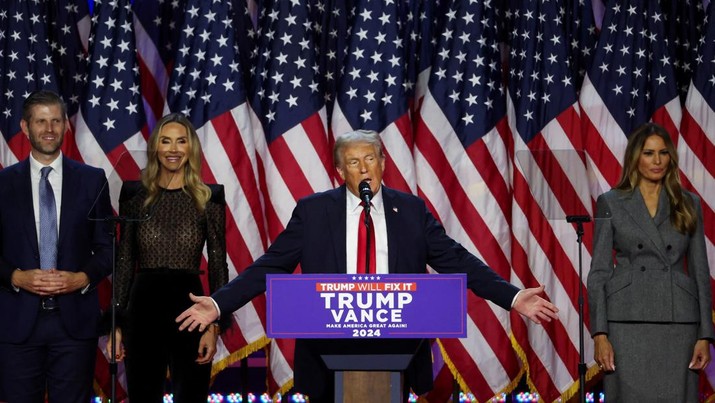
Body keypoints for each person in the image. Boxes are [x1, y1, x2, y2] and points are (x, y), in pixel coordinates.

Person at [176, 129, 559, 401]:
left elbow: (456, 259)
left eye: (370, 158)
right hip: (328, 349)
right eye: (353, 162)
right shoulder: (313, 212)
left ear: (383, 163)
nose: (364, 168)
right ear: (340, 172)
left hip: (397, 347)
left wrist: (511, 297)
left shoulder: (410, 210)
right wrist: (219, 303)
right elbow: (271, 265)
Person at [0, 90, 113, 402]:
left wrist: (83, 278)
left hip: (74, 324)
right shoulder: (3, 184)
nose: (48, 129)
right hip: (16, 323)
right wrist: (15, 277)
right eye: (40, 121)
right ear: (25, 127)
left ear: (65, 125)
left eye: (55, 121)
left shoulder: (92, 180)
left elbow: (108, 248)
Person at [587, 122, 713, 401]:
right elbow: (598, 272)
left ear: (671, 157)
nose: (657, 161)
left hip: (678, 323)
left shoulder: (689, 203)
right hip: (625, 322)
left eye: (663, 153)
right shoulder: (611, 202)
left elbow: (700, 271)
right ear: (635, 157)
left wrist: (705, 334)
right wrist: (600, 333)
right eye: (648, 153)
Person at [107, 113, 228, 402]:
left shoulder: (208, 197)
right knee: (143, 395)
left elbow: (218, 263)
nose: (173, 149)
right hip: (143, 308)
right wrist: (116, 325)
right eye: (166, 141)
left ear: (191, 148)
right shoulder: (135, 195)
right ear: (155, 148)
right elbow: (124, 261)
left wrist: (214, 327)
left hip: (192, 309)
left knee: (191, 395)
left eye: (181, 141)